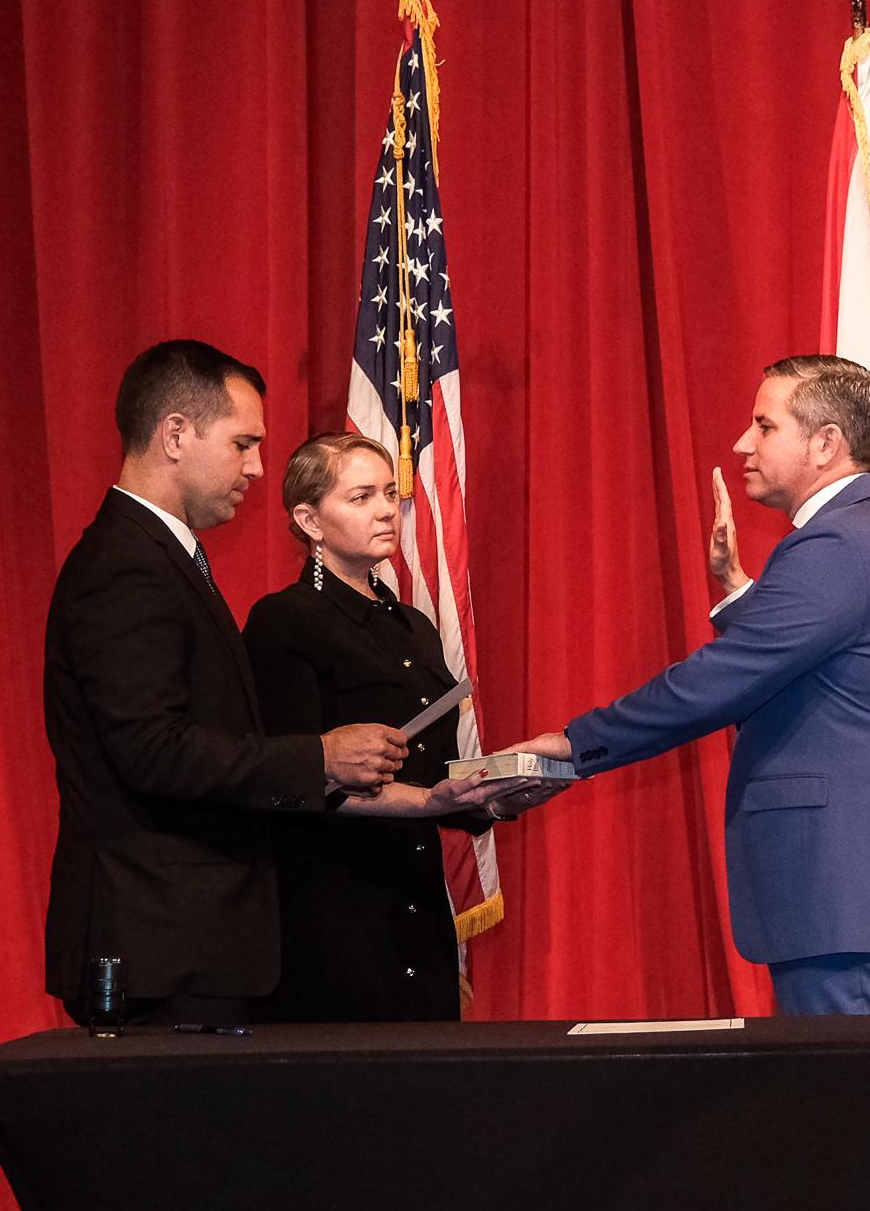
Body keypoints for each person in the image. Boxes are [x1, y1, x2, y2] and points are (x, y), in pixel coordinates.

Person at [516, 353, 870, 1211]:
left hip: (849, 892)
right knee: (841, 1163)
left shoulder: (844, 544)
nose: (744, 441)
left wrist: (562, 745)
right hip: (844, 888)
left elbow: (721, 684)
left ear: (828, 444)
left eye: (765, 423)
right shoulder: (846, 544)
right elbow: (799, 665)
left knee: (856, 1175)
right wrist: (738, 588)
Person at [43, 340, 414, 1029]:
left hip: (193, 946)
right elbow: (151, 749)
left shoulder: (164, 557)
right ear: (176, 434)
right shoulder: (125, 566)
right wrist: (318, 758)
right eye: (244, 443)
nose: (258, 467)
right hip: (158, 950)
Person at [244, 433, 552, 1021]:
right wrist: (428, 801)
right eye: (361, 497)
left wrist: (493, 794)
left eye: (389, 492)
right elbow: (286, 778)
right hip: (328, 913)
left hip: (416, 908)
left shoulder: (414, 626)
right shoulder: (284, 621)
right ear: (309, 519)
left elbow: (434, 777)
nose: (388, 508)